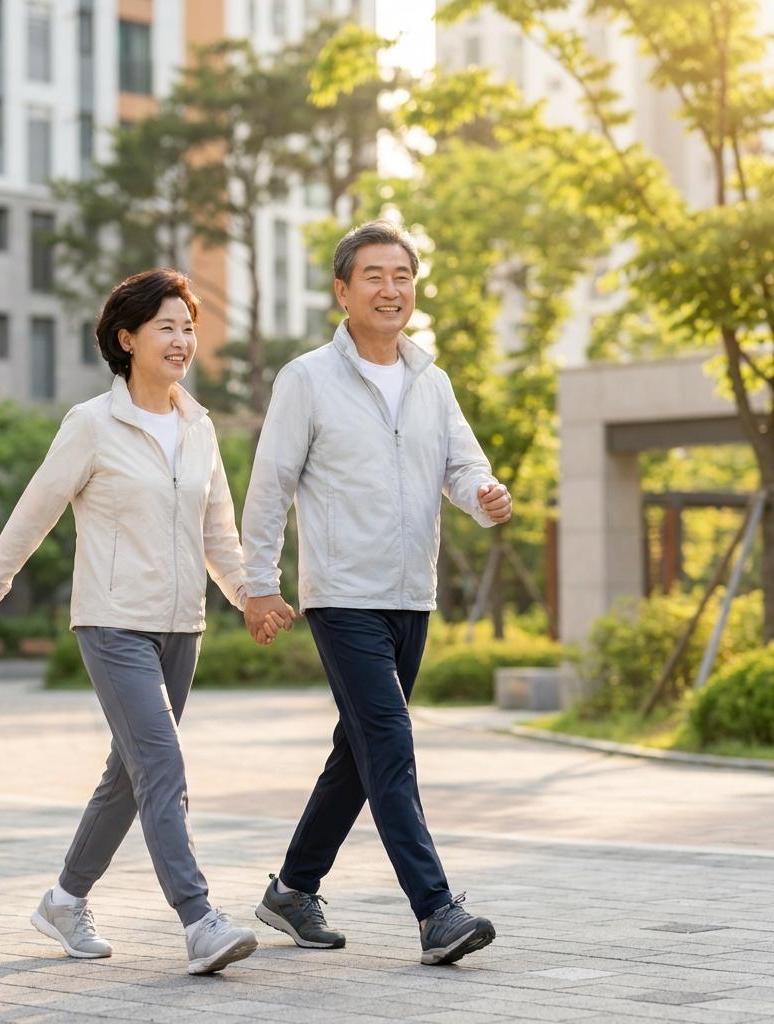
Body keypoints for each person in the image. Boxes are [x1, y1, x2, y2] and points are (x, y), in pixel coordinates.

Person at [0, 268, 292, 975]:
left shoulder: (198, 427)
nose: (182, 340)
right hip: (112, 623)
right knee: (162, 764)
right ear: (126, 338)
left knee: (128, 774)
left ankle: (63, 899)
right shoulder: (91, 425)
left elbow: (218, 533)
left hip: (183, 627)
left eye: (189, 327)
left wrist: (249, 595)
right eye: (166, 326)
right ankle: (199, 920)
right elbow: (36, 508)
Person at [241, 220, 512, 966]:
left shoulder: (433, 379)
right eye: (374, 276)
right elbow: (270, 487)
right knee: (389, 741)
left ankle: (293, 888)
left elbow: (464, 466)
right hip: (343, 594)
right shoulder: (307, 378)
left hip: (410, 595)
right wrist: (258, 584)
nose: (390, 289)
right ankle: (437, 911)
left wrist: (483, 494)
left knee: (360, 753)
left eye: (402, 275)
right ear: (343, 290)